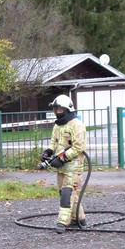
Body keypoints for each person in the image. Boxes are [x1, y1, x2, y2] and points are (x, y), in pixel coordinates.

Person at [40, 94, 87, 233]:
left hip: (73, 166)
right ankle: (79, 219)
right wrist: (48, 152)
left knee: (67, 193)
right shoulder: (57, 125)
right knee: (66, 193)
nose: (57, 112)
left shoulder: (77, 125)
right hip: (61, 167)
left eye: (60, 109)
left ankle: (62, 222)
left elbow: (78, 146)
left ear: (67, 109)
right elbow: (54, 142)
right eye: (55, 109)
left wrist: (62, 158)